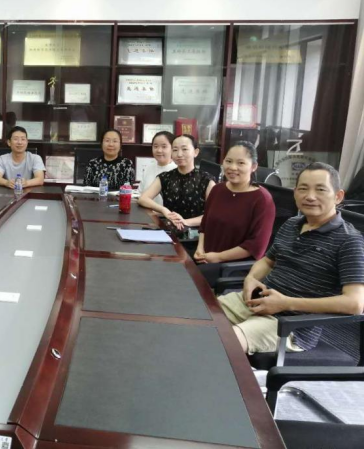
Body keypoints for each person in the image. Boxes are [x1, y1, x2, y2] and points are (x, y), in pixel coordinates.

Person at [218, 162, 364, 355]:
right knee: (200, 315)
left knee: (222, 342)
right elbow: (268, 261)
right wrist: (251, 278)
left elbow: (355, 303)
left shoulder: (349, 241)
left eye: (320, 189)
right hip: (257, 302)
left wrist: (286, 303)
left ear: (338, 196)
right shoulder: (292, 224)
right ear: (295, 193)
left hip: (292, 325)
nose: (310, 196)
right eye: (303, 189)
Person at [195, 142, 275, 265]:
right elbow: (204, 225)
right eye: (228, 161)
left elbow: (256, 245)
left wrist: (219, 257)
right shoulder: (217, 190)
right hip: (206, 258)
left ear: (254, 166)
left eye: (240, 163)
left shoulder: (262, 199)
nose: (232, 167)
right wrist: (200, 249)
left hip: (232, 266)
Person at [138, 134, 215, 230]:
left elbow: (214, 214)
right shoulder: (165, 177)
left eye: (184, 149)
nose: (179, 154)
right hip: (170, 230)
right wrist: (164, 210)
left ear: (196, 152)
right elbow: (143, 198)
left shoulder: (206, 180)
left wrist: (185, 222)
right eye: (175, 150)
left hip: (196, 233)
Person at [137, 131, 177, 205]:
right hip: (145, 211)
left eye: (164, 147)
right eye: (155, 146)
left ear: (172, 148)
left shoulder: (177, 170)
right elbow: (139, 193)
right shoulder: (148, 168)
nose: (159, 150)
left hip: (166, 212)